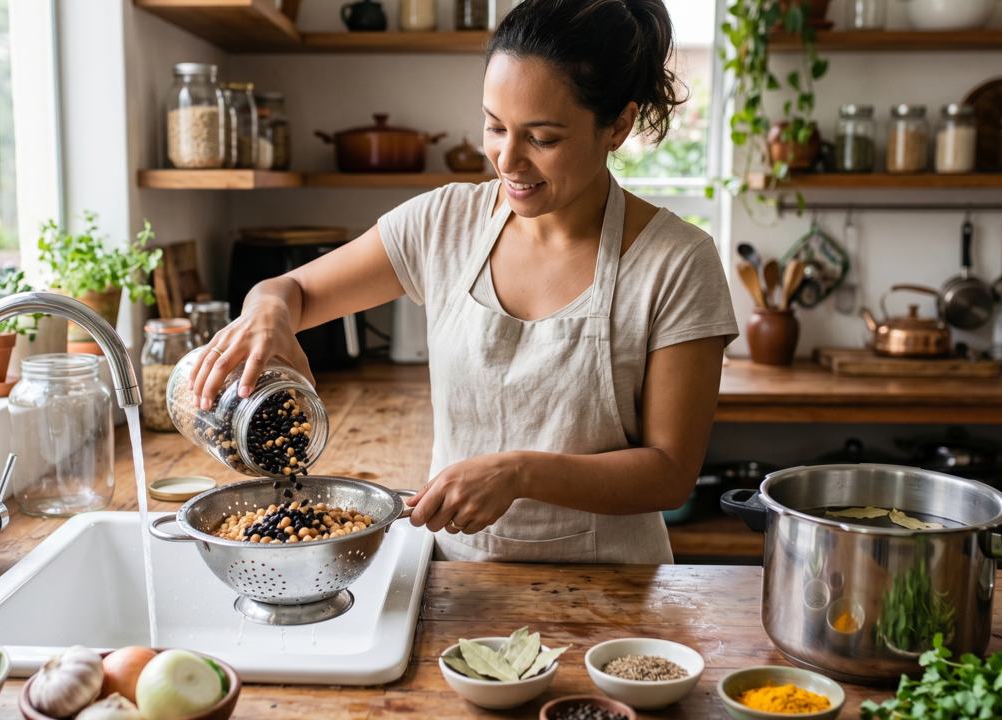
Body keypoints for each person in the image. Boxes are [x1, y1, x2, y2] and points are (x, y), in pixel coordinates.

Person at [190, 0, 738, 563]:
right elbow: (292, 291)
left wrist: (520, 472)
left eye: (542, 138)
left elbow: (670, 475)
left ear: (618, 125)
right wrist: (268, 311)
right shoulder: (443, 223)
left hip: (613, 594)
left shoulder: (678, 261)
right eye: (494, 126)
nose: (508, 159)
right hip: (454, 580)